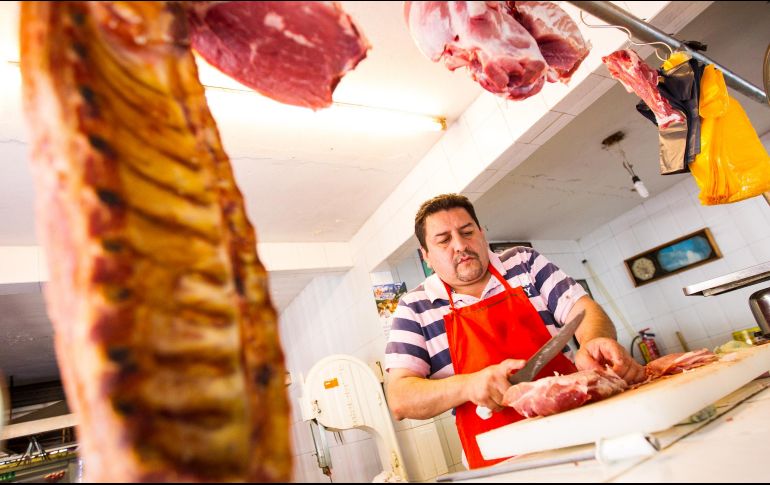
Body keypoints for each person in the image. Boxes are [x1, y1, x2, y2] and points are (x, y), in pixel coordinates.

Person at [384, 193, 644, 470]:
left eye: (467, 232)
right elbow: (400, 398)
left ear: (482, 234)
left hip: (582, 435)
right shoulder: (415, 307)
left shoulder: (524, 262)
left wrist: (593, 341)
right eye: (444, 240)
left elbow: (583, 310)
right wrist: (469, 384)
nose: (460, 245)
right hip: (503, 461)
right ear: (427, 256)